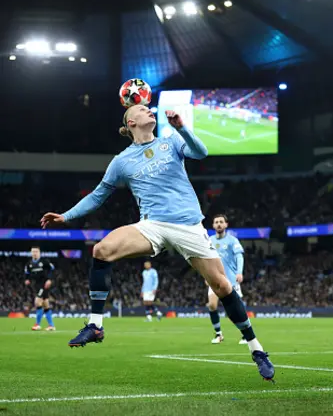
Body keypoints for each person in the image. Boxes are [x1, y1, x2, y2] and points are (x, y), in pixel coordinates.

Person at [40, 105, 274, 381]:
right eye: (143, 109)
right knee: (101, 250)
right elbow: (98, 195)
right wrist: (66, 216)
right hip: (153, 225)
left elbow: (201, 153)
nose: (150, 110)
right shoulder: (122, 161)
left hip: (189, 226)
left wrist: (181, 127)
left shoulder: (171, 141)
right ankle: (95, 324)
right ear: (131, 121)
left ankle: (256, 349)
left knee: (222, 286)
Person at [208, 214, 247, 345]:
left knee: (235, 309)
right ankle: (219, 334)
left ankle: (245, 334)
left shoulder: (232, 240)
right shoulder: (209, 240)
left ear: (226, 225)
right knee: (212, 305)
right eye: (216, 222)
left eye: (221, 222)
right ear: (213, 225)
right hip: (214, 279)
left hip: (230, 279)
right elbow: (205, 260)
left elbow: (239, 257)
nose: (218, 224)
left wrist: (239, 272)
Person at [24, 246, 55, 331]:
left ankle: (37, 324)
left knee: (37, 301)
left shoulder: (44, 261)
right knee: (45, 304)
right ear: (31, 253)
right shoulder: (29, 264)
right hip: (37, 285)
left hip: (45, 284)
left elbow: (52, 269)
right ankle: (51, 325)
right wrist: (27, 279)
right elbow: (27, 273)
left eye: (36, 251)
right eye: (33, 252)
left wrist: (49, 279)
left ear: (39, 252)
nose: (34, 253)